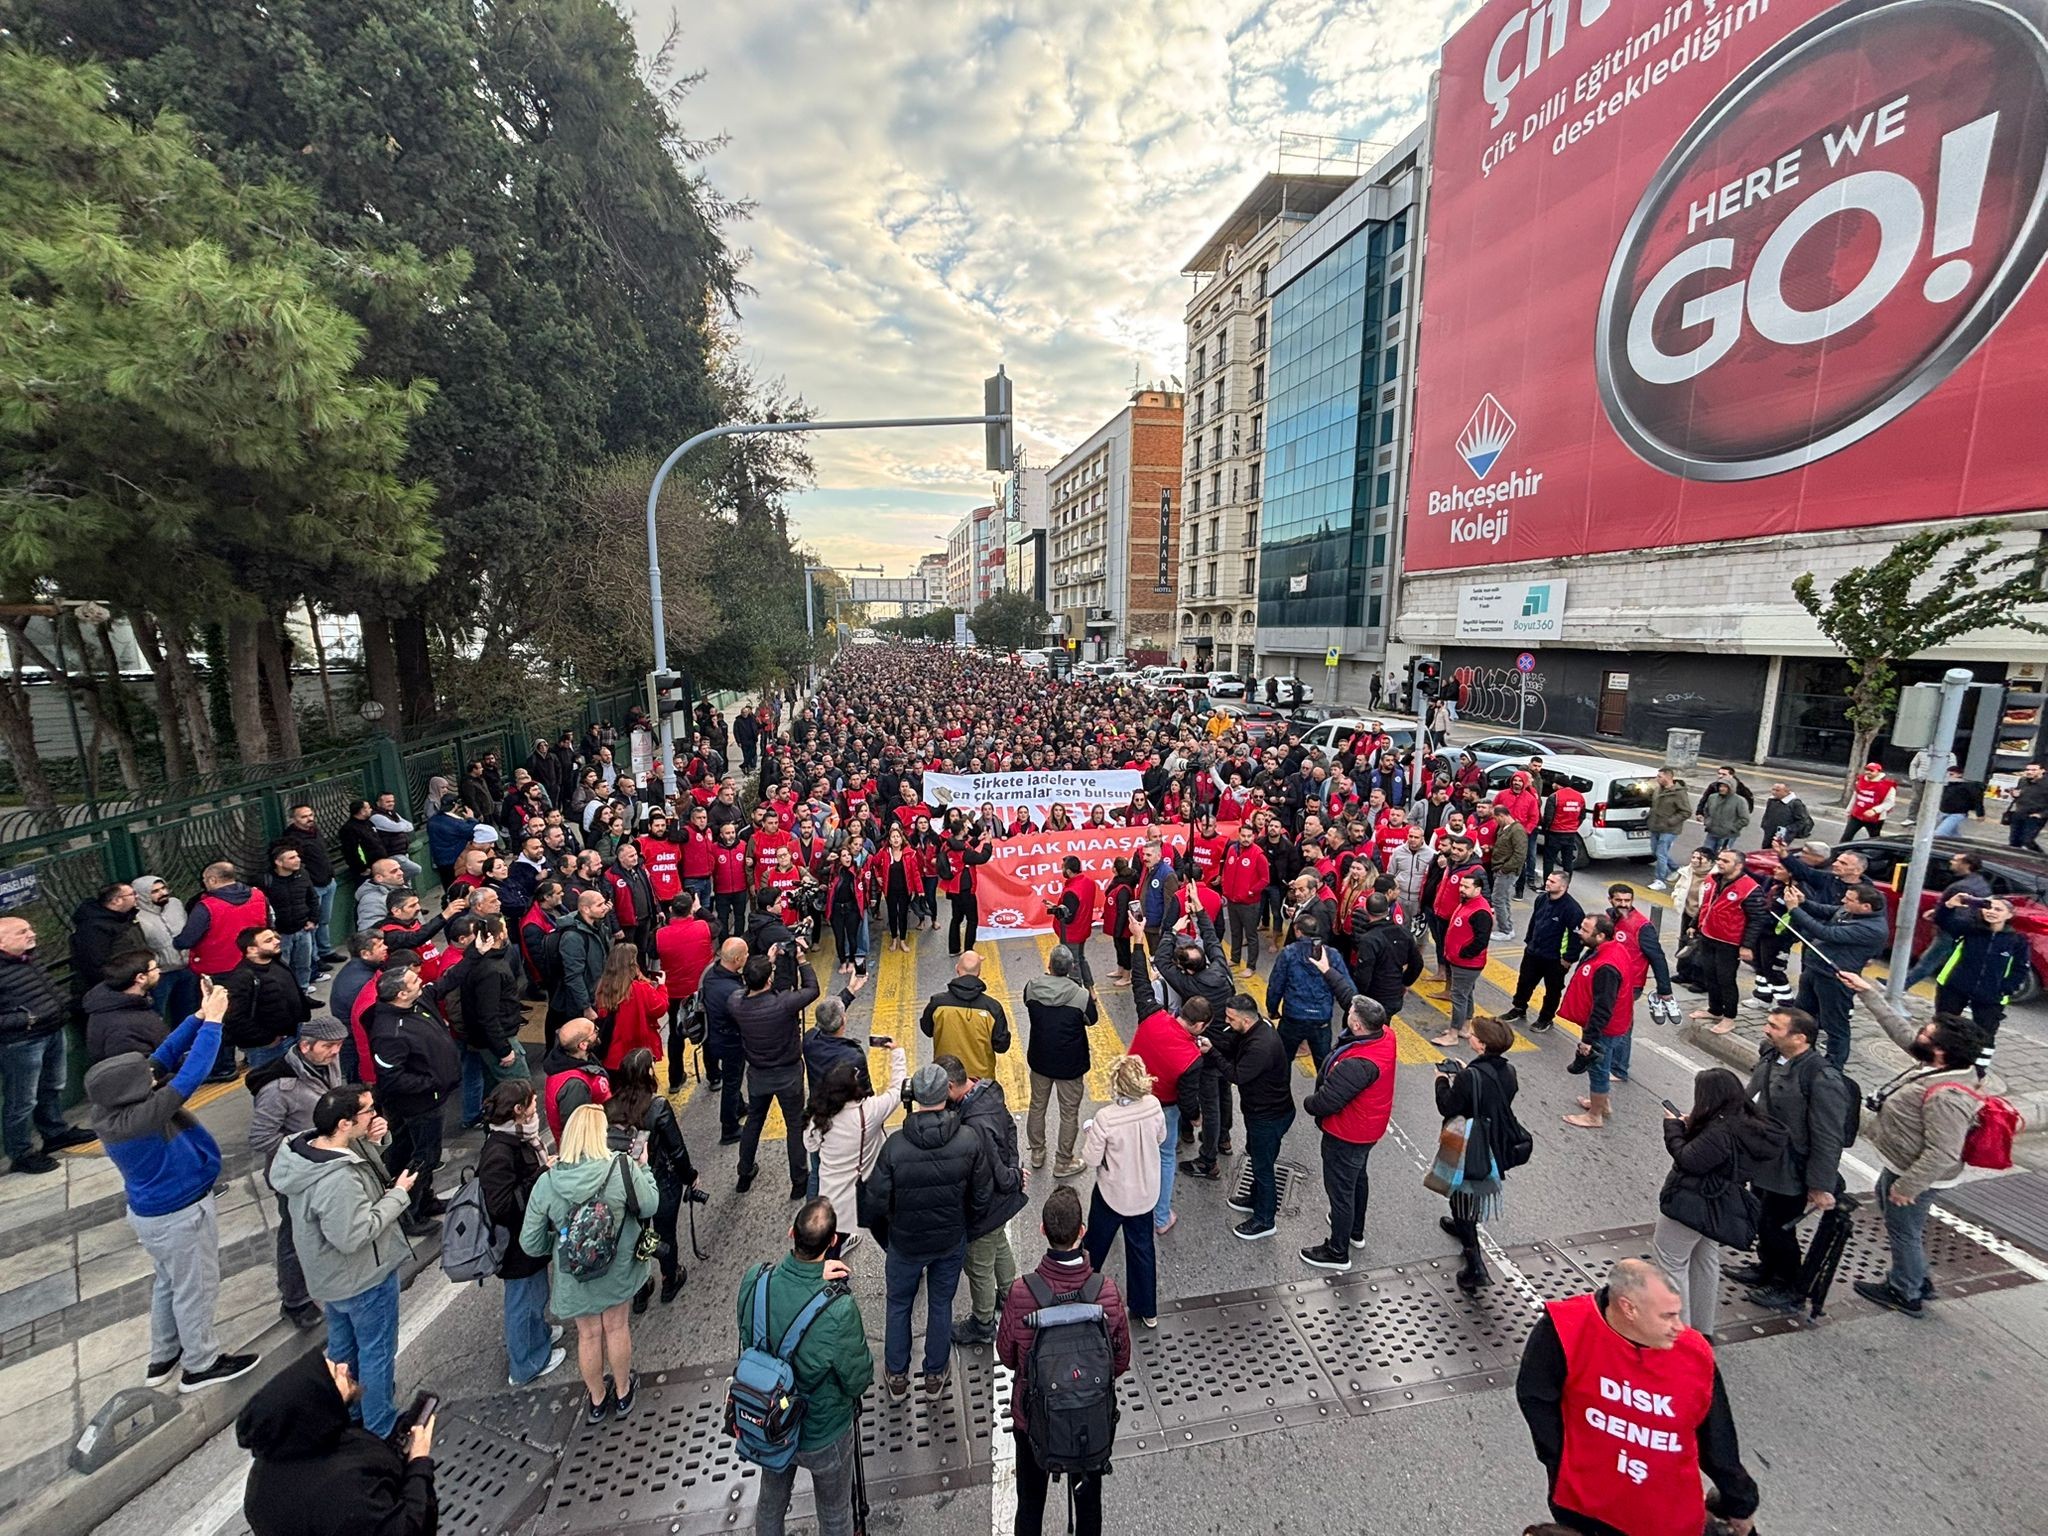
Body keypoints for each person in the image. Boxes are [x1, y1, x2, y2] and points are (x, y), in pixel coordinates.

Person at [86, 983, 258, 1391]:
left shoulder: (113, 1107)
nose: (151, 1073)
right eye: (143, 1076)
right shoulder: (141, 1119)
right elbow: (192, 1072)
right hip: (179, 1213)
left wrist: (198, 1016)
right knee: (196, 1287)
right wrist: (214, 1022)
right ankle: (201, 1363)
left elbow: (161, 1059)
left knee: (169, 1282)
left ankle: (164, 1355)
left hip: (154, 1214)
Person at [1516, 1258, 1760, 1536]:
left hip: (1654, 1515)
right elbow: (1535, 1398)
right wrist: (1560, 1461)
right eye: (1666, 1316)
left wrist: (1739, 1501)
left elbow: (1717, 1440)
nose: (1679, 1327)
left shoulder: (1694, 1352)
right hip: (1590, 1510)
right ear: (1628, 1308)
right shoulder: (1564, 1329)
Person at [1837, 974, 1998, 1318]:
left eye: (1925, 1035)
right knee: (1901, 1223)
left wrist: (1908, 1187)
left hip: (1914, 1174)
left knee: (1903, 1231)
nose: (1918, 1036)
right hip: (1902, 1164)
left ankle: (1905, 1290)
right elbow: (1902, 1033)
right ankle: (1918, 1278)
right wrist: (1869, 993)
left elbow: (1943, 1152)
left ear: (1940, 1051)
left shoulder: (1948, 1096)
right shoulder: (1941, 1065)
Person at [270, 1084, 418, 1436]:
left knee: (342, 1349)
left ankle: (347, 1412)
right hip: (364, 1276)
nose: (375, 1114)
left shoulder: (308, 1151)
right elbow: (353, 1235)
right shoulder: (336, 1180)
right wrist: (398, 1195)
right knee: (376, 1352)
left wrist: (375, 1140)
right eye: (367, 1111)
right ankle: (380, 1425)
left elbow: (357, 1165)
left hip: (330, 1279)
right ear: (343, 1123)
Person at [997, 1185, 1132, 1536]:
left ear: (1043, 1231)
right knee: (1089, 1505)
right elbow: (1120, 1361)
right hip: (1090, 1417)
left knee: (1029, 1504)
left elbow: (1008, 1356)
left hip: (1035, 1419)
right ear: (1082, 1232)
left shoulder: (1022, 1292)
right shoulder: (1106, 1291)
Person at [740, 1198, 876, 1536]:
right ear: (833, 1243)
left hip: (769, 1421)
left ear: (791, 1233)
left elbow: (748, 1335)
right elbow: (858, 1379)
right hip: (823, 1431)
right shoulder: (839, 1308)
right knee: (833, 1513)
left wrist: (812, 1275)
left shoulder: (756, 1280)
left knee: (770, 1503)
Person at [520, 1102, 661, 1424]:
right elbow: (650, 1204)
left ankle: (597, 1399)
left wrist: (558, 1248)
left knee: (588, 1335)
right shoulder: (621, 1167)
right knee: (616, 1326)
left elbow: (530, 1242)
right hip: (618, 1267)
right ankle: (624, 1391)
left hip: (575, 1274)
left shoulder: (548, 1182)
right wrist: (645, 1167)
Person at [862, 1062, 994, 1398]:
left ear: (915, 1098)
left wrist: (889, 1237)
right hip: (949, 1239)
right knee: (940, 1303)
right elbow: (980, 1194)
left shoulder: (894, 1147)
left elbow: (873, 1204)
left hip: (905, 1243)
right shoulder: (967, 1139)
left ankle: (896, 1375)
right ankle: (934, 1374)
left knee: (899, 1305)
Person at [237, 1350, 437, 1536]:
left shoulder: (276, 1459)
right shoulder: (346, 1495)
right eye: (334, 1375)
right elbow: (407, 1529)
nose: (344, 1367)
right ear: (317, 1400)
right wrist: (419, 1461)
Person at [1734, 1004, 1851, 1312]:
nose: (1766, 1029)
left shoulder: (1820, 1077)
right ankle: (1766, 1268)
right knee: (1761, 1216)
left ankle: (1788, 1284)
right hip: (1764, 1157)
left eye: (1774, 1026)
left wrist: (1819, 1185)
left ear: (1799, 1038)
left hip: (1790, 1168)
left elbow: (1828, 1136)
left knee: (1778, 1226)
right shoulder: (1772, 1055)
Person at [1653, 1069, 1784, 1334]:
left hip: (1692, 1202)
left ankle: (1679, 1333)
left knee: (1672, 1262)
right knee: (1705, 1260)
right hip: (1720, 1205)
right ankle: (1702, 1329)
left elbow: (1688, 1159)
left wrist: (1673, 1127)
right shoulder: (1746, 1122)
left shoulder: (1719, 1131)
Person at [248, 1015, 350, 1331]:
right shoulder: (279, 1089)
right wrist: (311, 1145)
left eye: (339, 1046)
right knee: (295, 1236)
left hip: (330, 1165)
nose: (335, 1052)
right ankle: (295, 1301)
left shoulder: (327, 1063)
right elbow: (261, 1137)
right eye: (329, 1046)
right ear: (305, 1046)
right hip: (298, 1174)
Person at [474, 1078, 569, 1386]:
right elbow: (501, 1205)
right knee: (523, 1301)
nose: (535, 1105)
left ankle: (538, 1335)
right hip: (516, 1243)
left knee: (535, 1293)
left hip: (528, 1236)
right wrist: (541, 1175)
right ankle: (526, 1364)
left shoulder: (514, 1139)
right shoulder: (499, 1153)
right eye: (530, 1102)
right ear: (517, 1110)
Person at [1301, 988, 1394, 1272]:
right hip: (1367, 1130)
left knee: (1340, 1190)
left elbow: (1326, 1102)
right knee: (1357, 1178)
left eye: (1350, 1013)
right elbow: (1348, 996)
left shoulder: (1356, 1065)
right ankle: (1355, 1230)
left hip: (1346, 1134)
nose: (1347, 1013)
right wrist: (1329, 972)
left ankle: (1337, 1251)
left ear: (1356, 1025)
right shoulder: (1385, 1034)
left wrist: (1308, 1102)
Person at [366, 966, 461, 1234]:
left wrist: (476, 954)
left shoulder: (417, 1002)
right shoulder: (389, 1032)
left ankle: (425, 1199)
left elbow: (446, 982)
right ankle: (411, 1212)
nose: (422, 980)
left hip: (431, 1099)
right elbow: (392, 1079)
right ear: (400, 993)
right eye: (414, 980)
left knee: (419, 1154)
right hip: (420, 1106)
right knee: (422, 1157)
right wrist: (433, 1083)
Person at [1, 915, 98, 1171]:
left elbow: (47, 989)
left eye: (30, 929)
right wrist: (26, 1019)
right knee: (22, 1100)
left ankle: (54, 1133)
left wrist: (62, 1006)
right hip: (21, 1042)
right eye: (22, 932)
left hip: (52, 1029)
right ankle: (21, 1153)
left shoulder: (28, 958)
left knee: (53, 1086)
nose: (32, 934)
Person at [607, 1048, 701, 1311]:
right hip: (661, 1183)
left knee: (636, 1233)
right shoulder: (657, 1106)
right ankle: (669, 1278)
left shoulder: (610, 1107)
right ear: (648, 1073)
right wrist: (690, 1176)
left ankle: (639, 1288)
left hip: (625, 1185)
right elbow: (677, 1148)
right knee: (665, 1233)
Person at [1126, 929, 1206, 1237]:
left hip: (1131, 1096)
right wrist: (1196, 1117)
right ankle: (1160, 1217)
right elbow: (1187, 1100)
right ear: (1199, 1025)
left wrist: (1137, 940)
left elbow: (1140, 981)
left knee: (1131, 1152)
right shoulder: (1192, 1057)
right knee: (1165, 1156)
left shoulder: (1151, 1014)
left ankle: (1128, 1204)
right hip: (1164, 1108)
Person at [946, 1054, 1029, 1346]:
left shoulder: (974, 1124)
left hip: (988, 1204)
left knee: (979, 1266)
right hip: (1001, 1201)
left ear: (951, 1086)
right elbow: (1011, 1131)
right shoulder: (989, 1092)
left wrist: (1011, 1178)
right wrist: (1015, 1170)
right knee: (999, 1246)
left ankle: (982, 1323)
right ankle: (1010, 1296)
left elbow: (992, 1166)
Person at [1079, 1055, 1166, 1327]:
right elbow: (1160, 1137)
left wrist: (1091, 1132)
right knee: (1142, 1249)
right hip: (1145, 1192)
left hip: (1113, 1194)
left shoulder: (1106, 1117)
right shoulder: (1154, 1105)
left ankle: (1082, 1297)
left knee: (1095, 1247)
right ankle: (1146, 1309)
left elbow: (1092, 1159)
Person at [1436, 1012, 1520, 1291]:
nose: (1469, 1036)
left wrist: (1441, 1081)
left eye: (1473, 1034)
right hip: (1492, 1141)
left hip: (1467, 1143)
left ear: (1482, 1045)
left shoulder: (1470, 1077)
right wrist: (1466, 1074)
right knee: (1469, 1193)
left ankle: (1475, 1266)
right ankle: (1462, 1227)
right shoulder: (1508, 1071)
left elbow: (1447, 1106)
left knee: (1461, 1195)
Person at [803, 1039, 908, 1259]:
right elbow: (897, 1088)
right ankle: (904, 1263)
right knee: (886, 1235)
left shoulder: (819, 1118)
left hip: (834, 1196)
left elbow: (810, 1145)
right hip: (869, 1187)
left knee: (830, 1249)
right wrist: (897, 1052)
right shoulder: (870, 1111)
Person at [733, 950, 823, 1197]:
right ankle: (799, 1180)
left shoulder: (737, 1003)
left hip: (758, 1074)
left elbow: (743, 989)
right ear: (769, 980)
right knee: (795, 1125)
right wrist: (802, 961)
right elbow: (812, 989)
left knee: (754, 1121)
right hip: (788, 1072)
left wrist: (764, 964)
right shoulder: (782, 1003)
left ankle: (744, 1171)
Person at [1206, 991, 1291, 1241]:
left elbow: (1236, 1075)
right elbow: (1232, 1043)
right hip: (1262, 1113)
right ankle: (1255, 1198)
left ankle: (1265, 1220)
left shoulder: (1261, 1047)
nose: (1227, 1023)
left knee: (1264, 1168)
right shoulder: (1256, 1028)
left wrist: (1212, 1053)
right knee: (1256, 1158)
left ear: (1245, 1020)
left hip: (1269, 1116)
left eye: (1231, 1019)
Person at [1780, 878, 1888, 1068]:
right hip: (1815, 969)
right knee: (1801, 1015)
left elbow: (1825, 933)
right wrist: (1804, 901)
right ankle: (1799, 1053)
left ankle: (1833, 1066)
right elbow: (1825, 910)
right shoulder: (1849, 911)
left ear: (1866, 907)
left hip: (1836, 978)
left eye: (1849, 899)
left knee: (1835, 1025)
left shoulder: (1872, 929)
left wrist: (1795, 910)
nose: (1844, 902)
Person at [1022, 944, 1094, 1176]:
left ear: (1049, 966)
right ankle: (1063, 1162)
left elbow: (1029, 1004)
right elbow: (1091, 1020)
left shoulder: (1031, 988)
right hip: (1070, 1065)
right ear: (1072, 968)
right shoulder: (1080, 995)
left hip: (1040, 1059)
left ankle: (1037, 1152)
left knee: (1037, 1106)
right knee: (1069, 1113)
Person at [1560, 915, 1633, 1131]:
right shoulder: (1611, 950)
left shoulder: (1606, 966)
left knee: (1598, 1067)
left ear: (1600, 936)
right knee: (1601, 1065)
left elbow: (1603, 1007)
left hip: (1604, 1028)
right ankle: (1603, 1103)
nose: (1579, 932)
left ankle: (1594, 1116)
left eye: (1585, 929)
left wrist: (1589, 1039)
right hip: (1611, 1024)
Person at [1931, 893, 2029, 1053]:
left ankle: (1979, 1071)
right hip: (1955, 987)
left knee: (1985, 1035)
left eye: (1998, 909)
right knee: (1943, 1026)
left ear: (2009, 915)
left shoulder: (2017, 941)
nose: (1991, 911)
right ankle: (1932, 1059)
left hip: (1990, 996)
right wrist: (1949, 905)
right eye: (1987, 907)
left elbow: (2021, 968)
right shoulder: (1971, 929)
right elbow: (1943, 922)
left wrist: (2004, 988)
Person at [1688, 848, 1768, 1038]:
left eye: (1726, 861)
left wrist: (1747, 946)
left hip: (1729, 942)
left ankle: (1729, 1017)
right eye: (1720, 859)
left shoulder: (1750, 889)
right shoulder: (1713, 880)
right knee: (1710, 975)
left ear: (1739, 865)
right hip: (1708, 936)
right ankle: (1715, 1009)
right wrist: (1694, 924)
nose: (1720, 863)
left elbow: (1757, 920)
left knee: (1726, 979)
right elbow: (1706, 905)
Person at [1264, 911, 1354, 1071]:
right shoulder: (1331, 955)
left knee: (1283, 1062)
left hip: (1293, 1015)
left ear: (1298, 931)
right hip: (1321, 1017)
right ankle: (1324, 1094)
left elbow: (1276, 984)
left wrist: (1272, 1009)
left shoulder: (1289, 953)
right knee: (1324, 1066)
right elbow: (1348, 988)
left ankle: (1282, 1094)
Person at [222, 925, 313, 1072]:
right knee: (270, 1087)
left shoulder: (277, 962)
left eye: (275, 938)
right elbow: (234, 1018)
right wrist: (267, 1039)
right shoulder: (242, 978)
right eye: (268, 940)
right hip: (267, 1048)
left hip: (294, 1035)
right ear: (251, 949)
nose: (276, 941)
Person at [1503, 871, 1583, 1032]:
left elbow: (1577, 937)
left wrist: (1568, 958)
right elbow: (1534, 921)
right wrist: (1529, 941)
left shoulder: (1572, 910)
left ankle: (1545, 1018)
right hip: (1533, 952)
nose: (1547, 883)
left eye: (1552, 881)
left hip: (1555, 959)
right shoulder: (1541, 899)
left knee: (1552, 990)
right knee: (1525, 982)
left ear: (1563, 886)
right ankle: (1519, 1008)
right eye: (1548, 880)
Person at [919, 949, 1012, 1080]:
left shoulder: (937, 1003)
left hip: (946, 1078)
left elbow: (927, 1029)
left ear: (957, 969)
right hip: (980, 1081)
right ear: (979, 973)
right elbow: (1002, 1046)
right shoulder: (992, 1008)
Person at [1434, 869, 1493, 1050]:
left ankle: (1453, 1034)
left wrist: (1463, 954)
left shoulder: (1480, 911)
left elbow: (1481, 941)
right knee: (1466, 994)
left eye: (1466, 887)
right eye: (1461, 885)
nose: (1461, 889)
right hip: (1459, 960)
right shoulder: (1467, 902)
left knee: (1458, 996)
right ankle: (1465, 1027)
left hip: (1466, 964)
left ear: (1478, 889)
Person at [131, 875, 198, 1024]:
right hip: (161, 973)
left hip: (187, 966)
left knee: (188, 1012)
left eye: (163, 888)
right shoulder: (138, 916)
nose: (162, 893)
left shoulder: (175, 904)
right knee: (157, 1013)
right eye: (155, 891)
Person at [702, 937, 749, 1142]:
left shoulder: (712, 973)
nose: (748, 957)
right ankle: (729, 1128)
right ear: (737, 959)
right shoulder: (731, 991)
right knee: (732, 1081)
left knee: (733, 1079)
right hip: (730, 1041)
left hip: (715, 1036)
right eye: (746, 954)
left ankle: (738, 1106)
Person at [85, 950, 169, 1063]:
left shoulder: (112, 1005)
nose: (159, 971)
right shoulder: (123, 1030)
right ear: (141, 978)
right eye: (154, 968)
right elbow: (139, 1072)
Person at [259, 846, 323, 992]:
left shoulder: (303, 875)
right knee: (283, 966)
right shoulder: (266, 881)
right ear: (279, 862)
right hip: (281, 933)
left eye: (297, 856)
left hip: (303, 928)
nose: (298, 860)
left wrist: (313, 919)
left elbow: (312, 898)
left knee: (304, 964)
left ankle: (303, 990)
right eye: (292, 858)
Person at [1645, 768, 1691, 890]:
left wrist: (1671, 821)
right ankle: (1676, 869)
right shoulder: (1658, 790)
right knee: (1655, 851)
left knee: (1661, 853)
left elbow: (1686, 812)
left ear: (1668, 777)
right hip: (1655, 826)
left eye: (1660, 776)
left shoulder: (1679, 793)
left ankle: (1660, 879)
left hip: (1669, 829)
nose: (1657, 778)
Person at [1843, 760, 1898, 840]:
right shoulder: (1860, 780)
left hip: (1875, 819)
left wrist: (1875, 810)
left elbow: (1890, 802)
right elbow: (1855, 796)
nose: (1868, 772)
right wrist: (1848, 810)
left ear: (1878, 772)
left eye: (1871, 770)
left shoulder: (1887, 785)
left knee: (1874, 839)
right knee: (1846, 837)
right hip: (1857, 815)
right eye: (1867, 769)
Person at [2005, 759, 2048, 850]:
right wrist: (2014, 794)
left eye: (2033, 770)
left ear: (2042, 771)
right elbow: (2018, 793)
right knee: (2014, 842)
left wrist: (2041, 815)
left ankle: (2041, 858)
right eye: (2028, 770)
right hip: (2019, 814)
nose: (2029, 772)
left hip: (2034, 817)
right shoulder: (2023, 781)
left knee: (2027, 840)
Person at [1758, 782, 1814, 848]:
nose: (1774, 792)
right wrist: (1765, 824)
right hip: (1770, 831)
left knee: (1777, 850)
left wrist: (1788, 830)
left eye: (1777, 790)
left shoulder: (1796, 803)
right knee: (1765, 848)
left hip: (1783, 833)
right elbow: (1767, 814)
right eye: (1773, 789)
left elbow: (1802, 820)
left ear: (1787, 792)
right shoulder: (1772, 800)